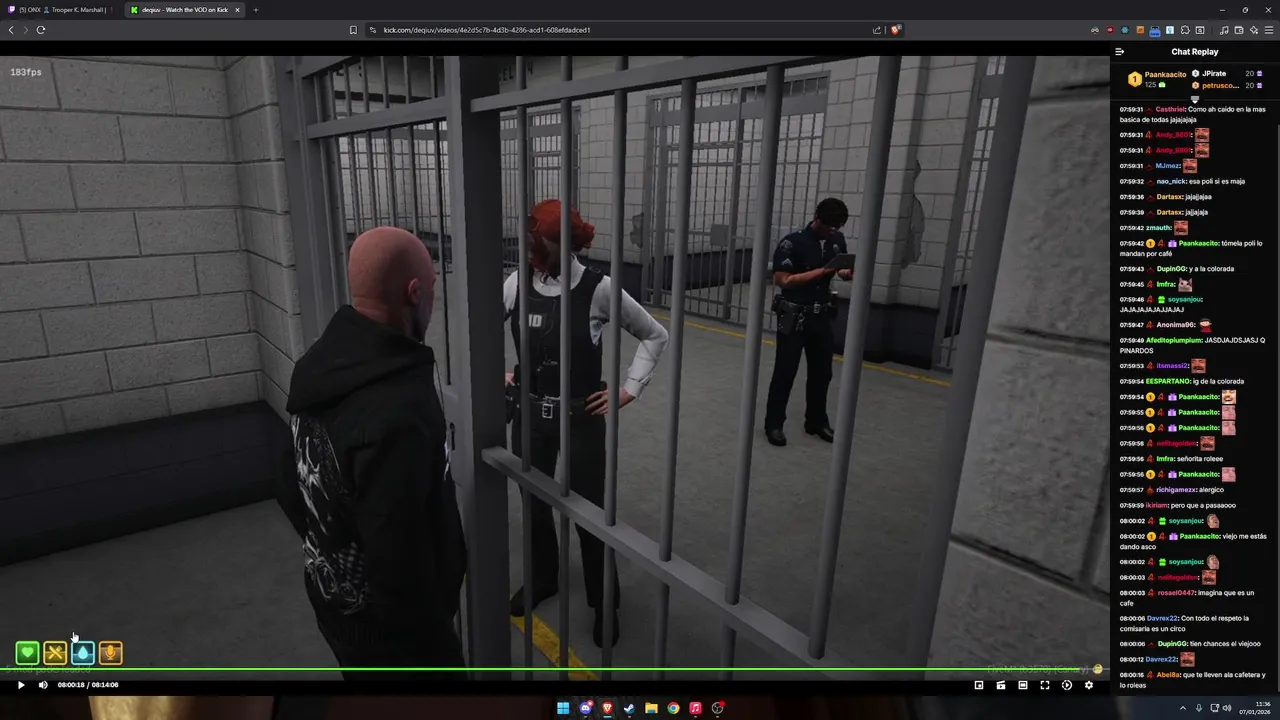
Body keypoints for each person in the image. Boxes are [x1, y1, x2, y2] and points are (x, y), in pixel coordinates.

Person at [278, 226, 467, 679]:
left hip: (332, 598)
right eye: (433, 288)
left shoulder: (319, 363)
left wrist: (334, 547)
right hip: (390, 638)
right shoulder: (399, 412)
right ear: (414, 293)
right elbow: (399, 570)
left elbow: (293, 474)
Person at [504, 199, 670, 648]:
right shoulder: (518, 282)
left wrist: (629, 389)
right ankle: (544, 578)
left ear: (566, 243)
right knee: (533, 503)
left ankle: (604, 601)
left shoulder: (599, 289)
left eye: (540, 239)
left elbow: (654, 334)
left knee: (590, 512)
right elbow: (478, 325)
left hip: (581, 417)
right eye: (531, 237)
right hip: (529, 416)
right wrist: (503, 374)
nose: (531, 246)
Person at [763, 198, 854, 447]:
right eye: (828, 227)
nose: (832, 232)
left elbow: (840, 268)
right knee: (785, 371)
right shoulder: (792, 243)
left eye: (836, 228)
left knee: (822, 373)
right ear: (816, 218)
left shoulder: (836, 240)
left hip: (820, 316)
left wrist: (846, 272)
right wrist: (823, 271)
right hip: (794, 315)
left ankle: (816, 421)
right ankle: (774, 424)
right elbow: (783, 280)